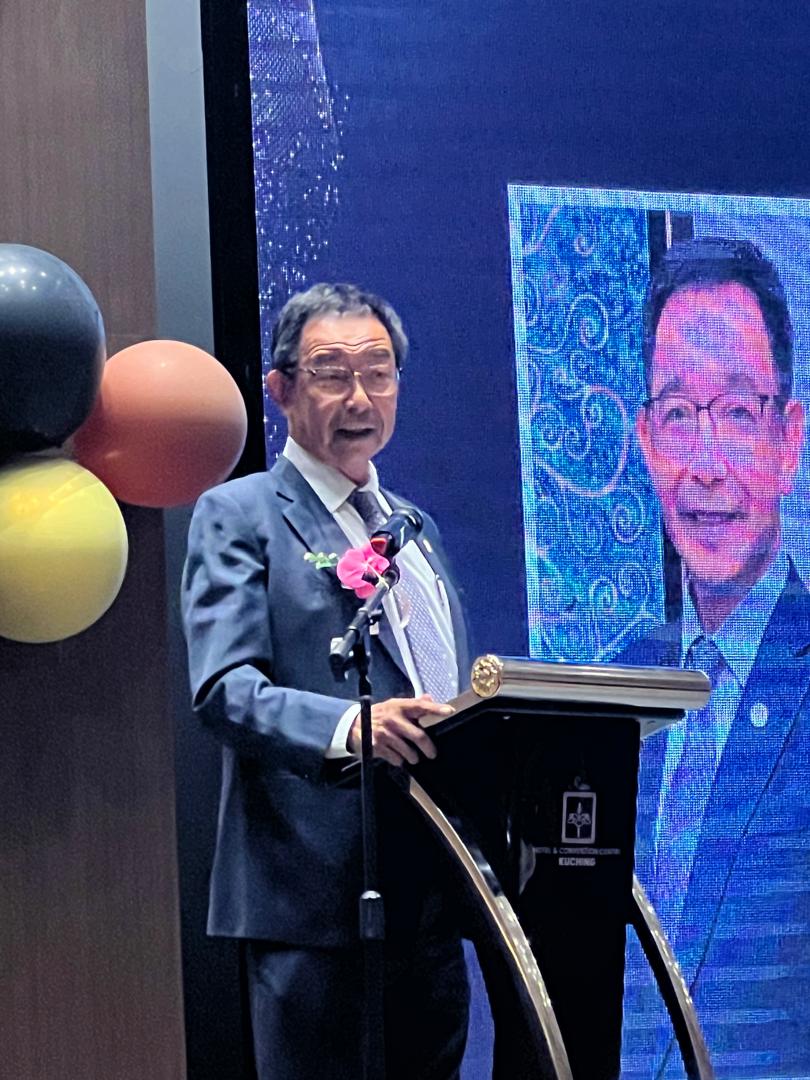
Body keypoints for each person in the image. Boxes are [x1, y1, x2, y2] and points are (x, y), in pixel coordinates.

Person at [181, 283, 471, 1080]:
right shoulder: (240, 514)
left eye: (378, 372)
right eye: (332, 374)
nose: (359, 397)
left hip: (432, 899)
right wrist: (350, 729)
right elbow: (224, 690)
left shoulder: (414, 527)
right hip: (311, 901)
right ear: (280, 390)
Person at [619, 237, 810, 1077]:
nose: (705, 465)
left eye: (736, 413)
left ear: (789, 440)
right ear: (646, 440)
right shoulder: (619, 679)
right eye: (677, 416)